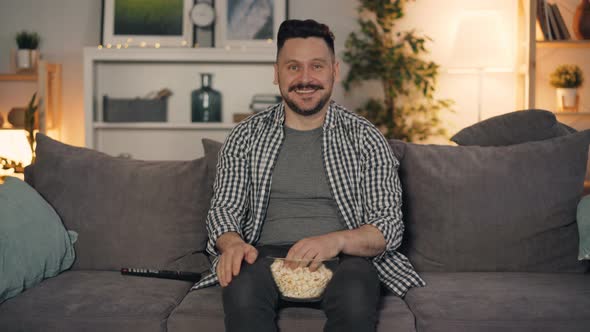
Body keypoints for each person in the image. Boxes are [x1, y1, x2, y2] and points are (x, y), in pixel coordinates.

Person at [192, 19, 424, 332]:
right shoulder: (244, 136)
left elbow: (388, 227)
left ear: (334, 71)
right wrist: (232, 243)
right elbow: (224, 211)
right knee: (241, 290)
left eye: (316, 66)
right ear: (276, 73)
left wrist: (337, 240)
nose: (305, 79)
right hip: (260, 258)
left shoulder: (366, 138)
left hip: (344, 262)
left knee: (358, 293)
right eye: (292, 67)